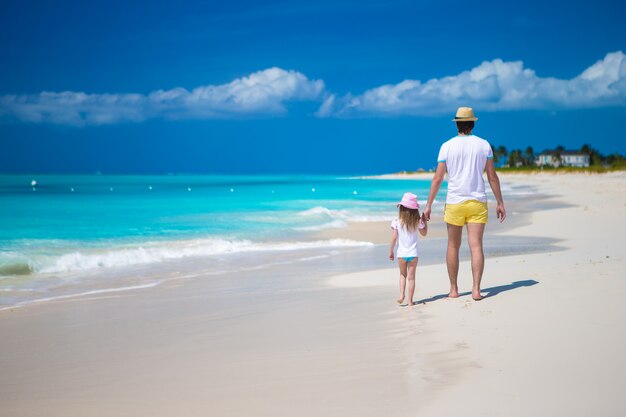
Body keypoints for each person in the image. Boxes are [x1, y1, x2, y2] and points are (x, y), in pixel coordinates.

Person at [423, 107, 506, 301]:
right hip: (477, 201)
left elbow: (437, 178)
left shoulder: (447, 146)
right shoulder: (484, 145)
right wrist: (500, 202)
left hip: (454, 202)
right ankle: (476, 289)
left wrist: (428, 205)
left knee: (453, 246)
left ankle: (453, 289)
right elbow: (492, 177)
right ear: (473, 123)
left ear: (457, 124)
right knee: (476, 246)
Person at [389, 192, 428, 306]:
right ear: (415, 210)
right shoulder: (417, 222)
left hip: (401, 254)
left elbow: (394, 238)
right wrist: (425, 221)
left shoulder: (396, 222)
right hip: (413, 254)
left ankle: (402, 295)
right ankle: (410, 301)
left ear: (401, 208)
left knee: (402, 275)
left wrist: (391, 251)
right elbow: (424, 233)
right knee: (411, 278)